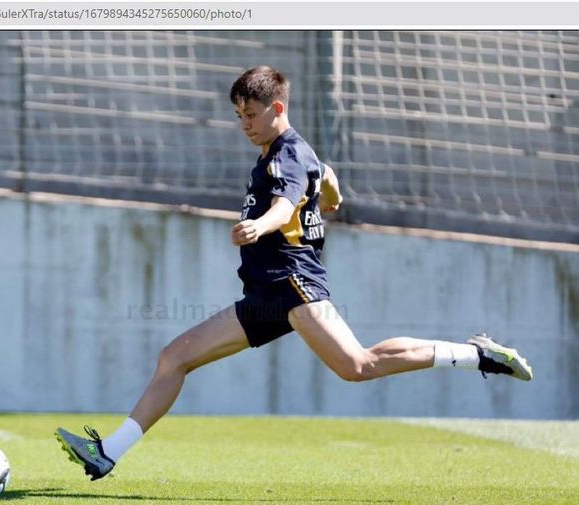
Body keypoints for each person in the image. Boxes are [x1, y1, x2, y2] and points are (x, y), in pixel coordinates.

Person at [55, 66, 533, 481]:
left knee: (358, 366)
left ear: (276, 107)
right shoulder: (290, 153)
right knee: (173, 358)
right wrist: (331, 192)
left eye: (251, 114)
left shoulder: (285, 154)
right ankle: (106, 454)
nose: (243, 124)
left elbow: (284, 205)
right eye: (238, 115)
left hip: (293, 284)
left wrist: (258, 225)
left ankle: (477, 355)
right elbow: (322, 175)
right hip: (266, 294)